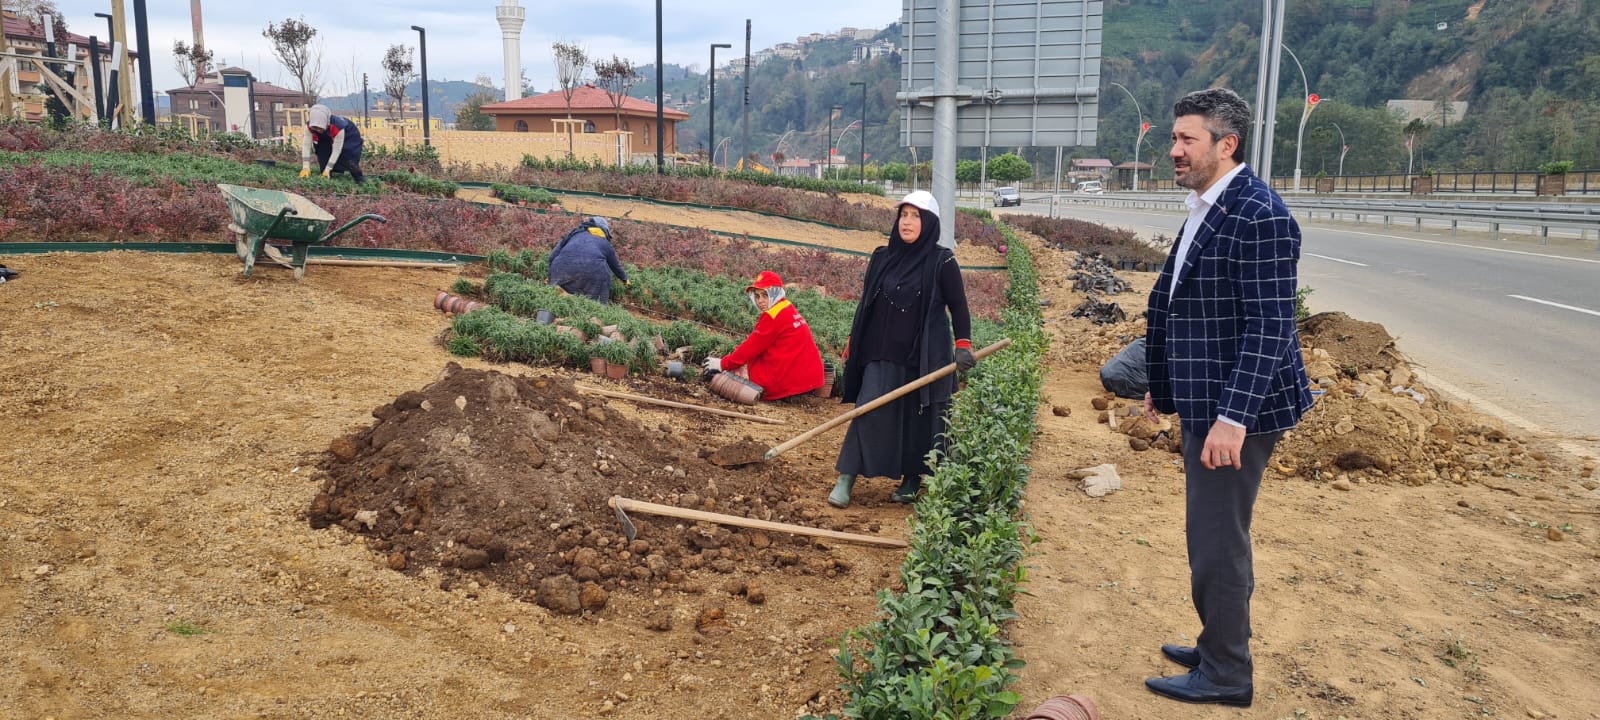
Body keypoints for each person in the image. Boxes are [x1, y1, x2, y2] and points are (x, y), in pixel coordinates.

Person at [1141, 87, 1313, 708]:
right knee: (1215, 537)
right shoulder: (1208, 204)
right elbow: (1182, 302)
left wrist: (1233, 419)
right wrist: (1163, 384)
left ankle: (1226, 673)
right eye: (1175, 137)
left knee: (1217, 541)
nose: (1175, 149)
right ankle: (1218, 641)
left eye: (1187, 139)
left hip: (1236, 408)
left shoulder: (1259, 214)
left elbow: (1271, 326)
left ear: (1227, 144)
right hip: (1206, 395)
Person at [827, 190, 975, 508]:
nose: (907, 222)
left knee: (920, 419)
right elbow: (866, 303)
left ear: (929, 222)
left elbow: (959, 307)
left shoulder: (942, 261)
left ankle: (911, 480)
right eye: (903, 215)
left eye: (915, 216)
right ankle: (846, 476)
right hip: (881, 352)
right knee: (868, 410)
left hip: (925, 356)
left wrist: (963, 344)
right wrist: (855, 339)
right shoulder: (883, 257)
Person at [702, 271, 826, 401]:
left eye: (765, 295)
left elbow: (751, 347)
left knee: (734, 377)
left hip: (787, 381)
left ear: (775, 293)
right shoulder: (786, 306)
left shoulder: (772, 316)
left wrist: (722, 364)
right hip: (806, 377)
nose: (760, 301)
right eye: (757, 296)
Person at [548, 216, 628, 304]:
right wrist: (625, 279)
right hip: (591, 277)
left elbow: (552, 257)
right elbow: (615, 266)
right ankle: (597, 306)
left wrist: (551, 274)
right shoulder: (604, 243)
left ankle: (561, 303)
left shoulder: (573, 235)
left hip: (561, 272)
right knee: (604, 268)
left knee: (559, 298)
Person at [299, 104, 366, 183]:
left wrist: (328, 168)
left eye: (320, 128)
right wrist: (305, 167)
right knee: (323, 154)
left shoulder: (337, 126)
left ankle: (360, 180)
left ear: (326, 122)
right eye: (315, 128)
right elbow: (306, 146)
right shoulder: (309, 126)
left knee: (348, 158)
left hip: (349, 136)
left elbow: (336, 150)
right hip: (327, 137)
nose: (318, 130)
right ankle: (328, 178)